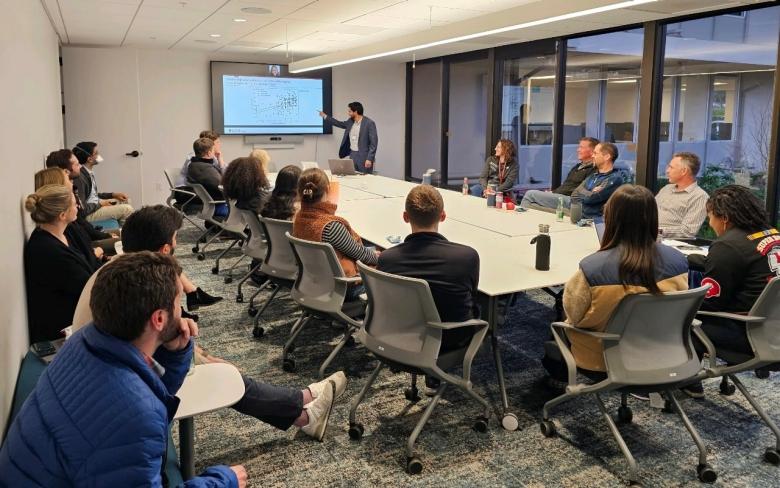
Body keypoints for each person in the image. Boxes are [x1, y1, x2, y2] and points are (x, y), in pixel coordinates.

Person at [70, 205, 346, 440]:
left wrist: (202, 355)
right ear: (166, 248)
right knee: (226, 375)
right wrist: (209, 361)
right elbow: (169, 350)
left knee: (215, 364)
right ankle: (302, 406)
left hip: (100, 371)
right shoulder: (145, 289)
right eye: (176, 241)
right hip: (118, 384)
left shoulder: (116, 270)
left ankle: (302, 411)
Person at [0, 252, 247, 487]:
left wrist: (176, 352)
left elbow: (152, 392)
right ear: (158, 319)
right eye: (177, 302)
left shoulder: (84, 340)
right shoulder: (136, 416)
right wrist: (222, 481)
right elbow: (138, 411)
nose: (181, 312)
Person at [542, 185, 689, 381]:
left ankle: (558, 380)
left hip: (602, 358)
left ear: (611, 218)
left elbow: (575, 317)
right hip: (663, 352)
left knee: (560, 312)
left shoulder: (592, 269)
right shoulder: (679, 261)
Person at [377, 185, 479, 392]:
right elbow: (471, 297)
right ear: (442, 216)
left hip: (396, 335)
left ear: (405, 217)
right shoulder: (466, 257)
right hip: (449, 340)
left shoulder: (388, 260)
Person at [685, 185, 780, 397]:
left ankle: (688, 380)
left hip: (749, 335)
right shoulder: (772, 234)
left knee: (683, 319)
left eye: (710, 216)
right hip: (774, 329)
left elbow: (710, 304)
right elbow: (745, 264)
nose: (710, 223)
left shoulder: (727, 245)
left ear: (724, 218)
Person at [23, 183, 101, 344]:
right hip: (63, 333)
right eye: (74, 204)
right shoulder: (48, 250)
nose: (78, 206)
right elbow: (90, 289)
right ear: (62, 215)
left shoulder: (61, 235)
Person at [292, 168, 379, 299]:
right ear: (327, 189)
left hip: (314, 282)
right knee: (390, 266)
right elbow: (361, 255)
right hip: (342, 288)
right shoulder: (330, 226)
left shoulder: (299, 218)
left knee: (371, 250)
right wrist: (380, 257)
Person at [45, 149, 119, 254]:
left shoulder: (72, 189)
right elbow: (79, 227)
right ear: (65, 171)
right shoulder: (63, 199)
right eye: (77, 164)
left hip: (90, 235)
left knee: (125, 234)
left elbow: (81, 222)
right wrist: (103, 238)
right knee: (123, 240)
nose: (80, 166)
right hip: (89, 242)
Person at [520, 137, 599, 210]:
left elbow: (580, 191)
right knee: (531, 203)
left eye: (581, 147)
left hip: (571, 200)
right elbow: (566, 186)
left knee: (530, 195)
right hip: (562, 196)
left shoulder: (593, 169)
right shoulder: (577, 167)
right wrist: (553, 192)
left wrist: (554, 194)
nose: (578, 150)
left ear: (592, 152)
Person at [73, 141, 135, 224]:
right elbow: (82, 209)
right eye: (96, 153)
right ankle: (124, 234)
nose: (99, 155)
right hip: (89, 214)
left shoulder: (88, 172)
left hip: (95, 206)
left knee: (126, 200)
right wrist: (101, 204)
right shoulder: (80, 178)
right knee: (127, 210)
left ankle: (120, 228)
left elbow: (93, 195)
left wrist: (113, 194)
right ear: (90, 159)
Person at [656, 152, 709, 239]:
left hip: (670, 243)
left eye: (671, 167)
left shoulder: (700, 196)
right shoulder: (666, 189)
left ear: (684, 171)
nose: (667, 171)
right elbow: (650, 211)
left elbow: (688, 231)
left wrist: (657, 231)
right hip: (649, 237)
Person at [569, 142, 625, 219]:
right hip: (582, 214)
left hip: (594, 221)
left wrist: (584, 192)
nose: (592, 156)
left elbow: (591, 198)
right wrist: (590, 192)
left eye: (595, 153)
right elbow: (574, 194)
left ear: (607, 157)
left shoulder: (614, 178)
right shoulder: (594, 175)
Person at [319, 102, 378, 174]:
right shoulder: (350, 122)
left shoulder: (369, 123)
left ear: (355, 112)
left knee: (365, 179)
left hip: (364, 157)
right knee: (353, 177)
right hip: (352, 155)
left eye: (350, 111)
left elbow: (374, 143)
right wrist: (325, 116)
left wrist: (369, 159)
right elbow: (339, 123)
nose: (348, 113)